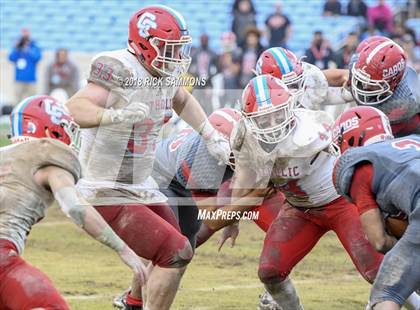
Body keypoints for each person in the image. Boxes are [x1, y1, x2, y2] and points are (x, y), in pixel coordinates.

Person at [65, 5, 231, 310]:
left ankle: (132, 302)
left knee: (180, 242)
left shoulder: (163, 72)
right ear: (144, 43)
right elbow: (75, 108)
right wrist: (114, 115)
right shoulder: (119, 68)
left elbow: (181, 98)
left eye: (178, 48)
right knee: (175, 252)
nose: (176, 55)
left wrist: (209, 133)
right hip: (105, 187)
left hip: (141, 184)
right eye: (168, 47)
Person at [230, 75, 384, 310]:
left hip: (341, 202)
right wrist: (232, 218)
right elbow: (242, 182)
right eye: (263, 118)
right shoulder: (244, 137)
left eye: (277, 114)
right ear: (249, 119)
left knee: (378, 273)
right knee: (270, 271)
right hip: (299, 209)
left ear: (290, 107)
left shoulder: (313, 129)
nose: (272, 123)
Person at [0, 95, 147, 310]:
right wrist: (123, 249)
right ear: (51, 130)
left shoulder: (5, 154)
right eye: (66, 127)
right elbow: (74, 206)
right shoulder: (47, 153)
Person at [332, 106, 420, 310]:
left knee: (385, 294)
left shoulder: (362, 166)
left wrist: (401, 244)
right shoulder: (414, 141)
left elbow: (379, 241)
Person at [8, 28, 41, 104]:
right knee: (17, 100)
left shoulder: (34, 46)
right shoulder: (18, 47)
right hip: (19, 79)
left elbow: (37, 57)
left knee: (33, 101)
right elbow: (11, 58)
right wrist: (16, 48)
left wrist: (28, 49)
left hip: (31, 79)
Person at [189, 34, 218, 115]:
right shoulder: (195, 53)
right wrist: (194, 74)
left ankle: (209, 117)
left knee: (208, 102)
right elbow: (190, 67)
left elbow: (217, 67)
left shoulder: (212, 53)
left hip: (208, 82)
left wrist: (211, 76)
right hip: (197, 81)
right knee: (196, 101)